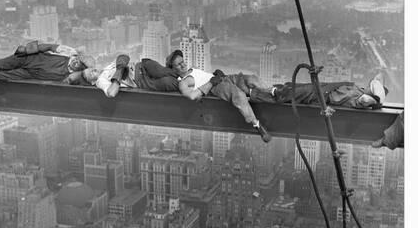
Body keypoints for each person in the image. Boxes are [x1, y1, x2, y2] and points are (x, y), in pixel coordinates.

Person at [166, 50, 272, 143]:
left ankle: (273, 92)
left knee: (252, 79)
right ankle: (257, 124)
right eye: (179, 65)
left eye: (183, 61)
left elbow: (203, 76)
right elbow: (192, 96)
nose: (183, 65)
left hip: (222, 78)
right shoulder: (183, 83)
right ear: (173, 70)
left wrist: (215, 74)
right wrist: (212, 82)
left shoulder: (193, 69)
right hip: (216, 86)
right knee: (239, 95)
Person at [0, 40, 95, 93]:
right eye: (79, 59)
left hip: (30, 74)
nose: (77, 62)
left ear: (81, 69)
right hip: (28, 59)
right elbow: (48, 46)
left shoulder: (70, 76)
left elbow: (75, 81)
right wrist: (29, 50)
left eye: (80, 65)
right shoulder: (68, 53)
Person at [250, 72, 388, 109]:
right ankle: (258, 91)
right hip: (319, 89)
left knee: (286, 95)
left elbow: (365, 100)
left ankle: (255, 94)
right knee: (290, 88)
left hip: (319, 96)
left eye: (371, 88)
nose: (370, 86)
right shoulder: (359, 89)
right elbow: (379, 76)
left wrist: (377, 100)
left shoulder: (360, 99)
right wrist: (377, 87)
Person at [85, 54, 179, 96]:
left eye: (91, 69)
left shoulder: (106, 67)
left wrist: (121, 64)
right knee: (167, 82)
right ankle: (186, 83)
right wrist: (120, 71)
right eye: (91, 73)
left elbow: (124, 57)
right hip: (140, 79)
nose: (93, 70)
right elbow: (111, 93)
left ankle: (186, 76)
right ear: (92, 82)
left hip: (141, 65)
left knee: (161, 71)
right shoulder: (100, 81)